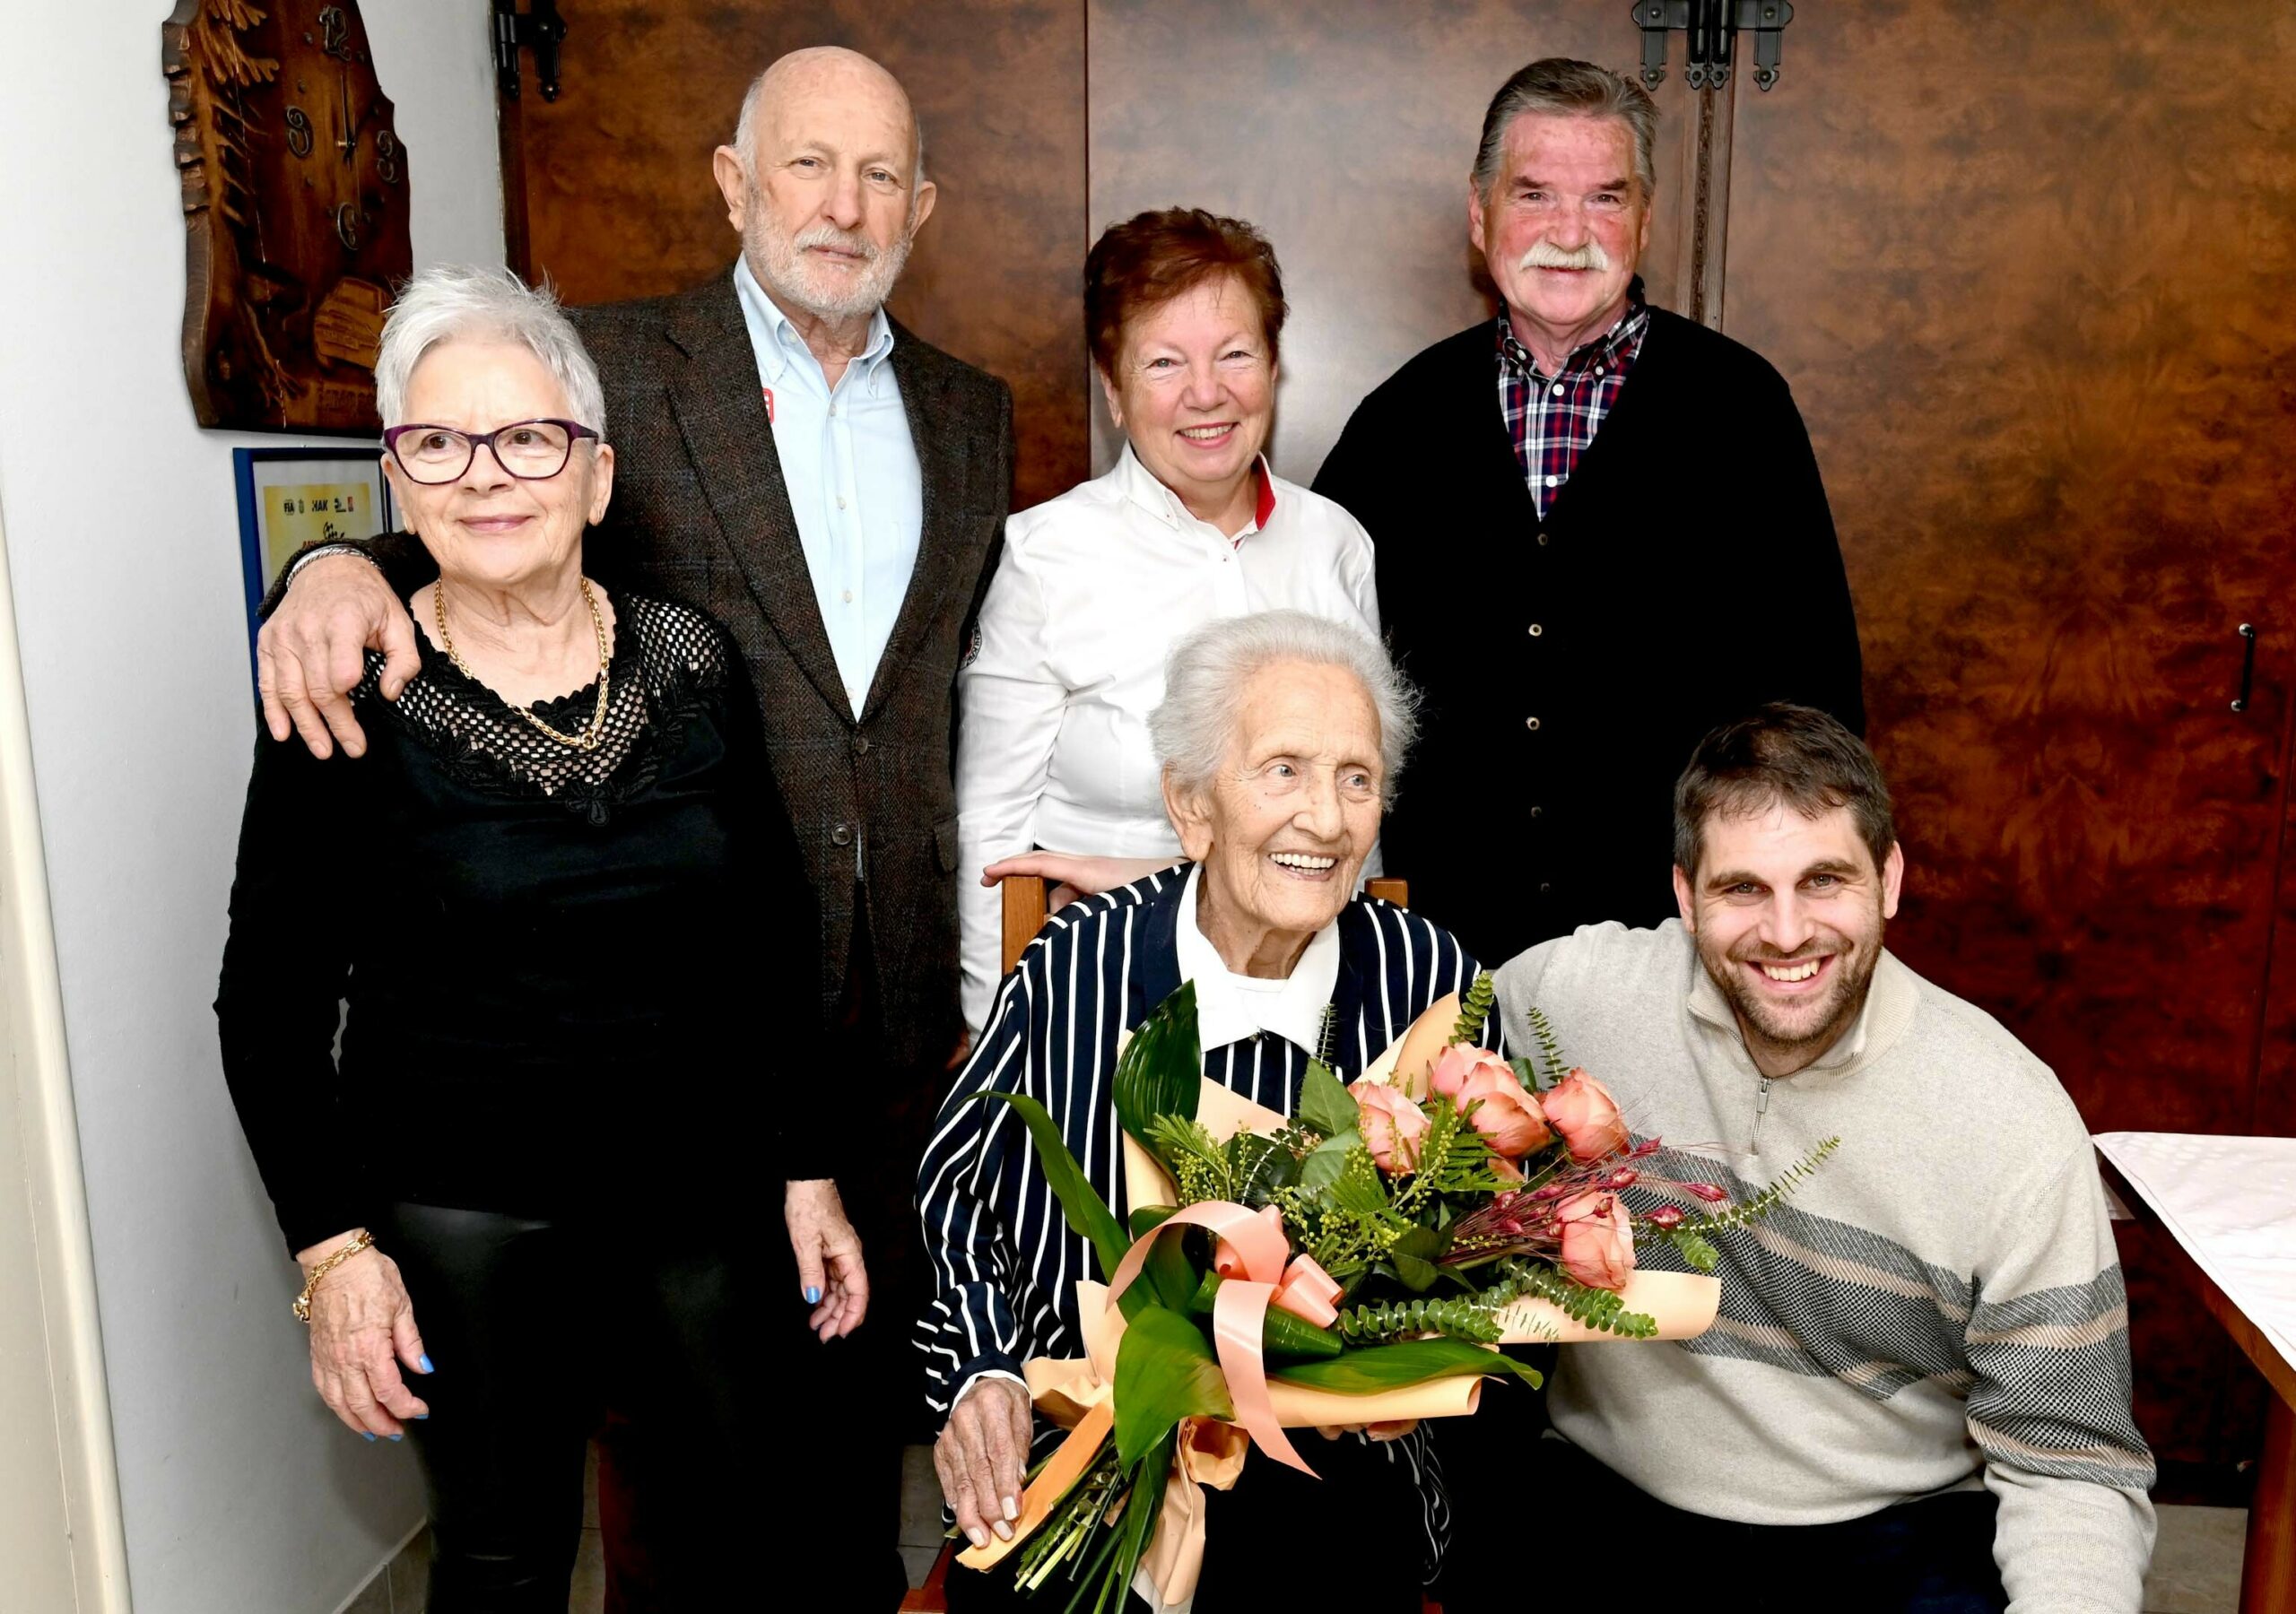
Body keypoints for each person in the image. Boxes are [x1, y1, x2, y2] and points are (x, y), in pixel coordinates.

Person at [250, 48, 1010, 1603]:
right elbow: (466, 499)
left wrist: (804, 1148)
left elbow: (926, 713)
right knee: (553, 1530)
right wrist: (326, 572)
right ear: (734, 184)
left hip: (811, 1063)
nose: (841, 204)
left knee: (808, 1478)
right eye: (805, 162)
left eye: (878, 174)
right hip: (487, 1161)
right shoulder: (596, 367)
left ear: (922, 209)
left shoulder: (969, 414)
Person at [214, 265, 832, 1609]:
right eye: (438, 442)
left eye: (528, 438)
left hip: (699, 1194)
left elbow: (771, 940)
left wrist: (806, 1169)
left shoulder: (690, 659)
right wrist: (333, 1256)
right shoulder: (343, 697)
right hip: (460, 1216)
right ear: (399, 477)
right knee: (501, 1562)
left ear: (595, 476)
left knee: (745, 1536)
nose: (485, 475)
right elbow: (264, 1006)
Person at [1488, 705, 2153, 1612]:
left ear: (1887, 880)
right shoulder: (1576, 997)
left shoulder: (2008, 1118)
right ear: (1684, 897)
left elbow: (2071, 1464)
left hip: (1894, 1528)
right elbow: (1419, 1045)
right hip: (1610, 1501)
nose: (1788, 932)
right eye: (1743, 890)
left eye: (1824, 880)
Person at [922, 611, 1492, 1611]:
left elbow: (1481, 1240)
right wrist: (984, 1374)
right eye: (1283, 769)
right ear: (1190, 807)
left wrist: (1418, 1350)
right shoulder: (1078, 966)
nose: (1325, 817)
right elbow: (960, 1185)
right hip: (1089, 1437)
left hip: (1329, 1455)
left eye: (1356, 778)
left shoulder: (1430, 982)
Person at [1315, 56, 1866, 964]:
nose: (1568, 233)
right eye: (1533, 194)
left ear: (1645, 221)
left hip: (1683, 949)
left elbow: (1816, 697)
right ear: (1478, 213)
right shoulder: (1397, 420)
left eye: (1604, 199)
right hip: (1445, 950)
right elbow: (1316, 669)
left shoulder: (1743, 410)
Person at [956, 207, 1379, 1036]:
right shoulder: (1047, 553)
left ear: (1274, 367)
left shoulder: (1337, 544)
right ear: (1113, 389)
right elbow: (991, 829)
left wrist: (1371, 993)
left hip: (1308, 991)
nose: (1206, 394)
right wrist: (992, 1035)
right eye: (1163, 363)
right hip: (1101, 991)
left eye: (1234, 355)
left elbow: (1360, 801)